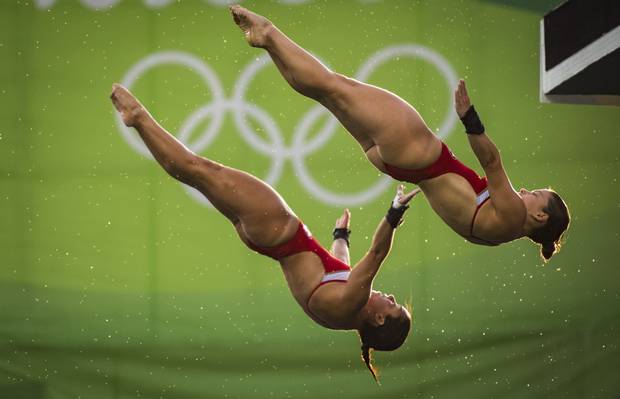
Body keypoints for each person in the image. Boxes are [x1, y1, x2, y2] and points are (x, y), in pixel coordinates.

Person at [110, 84, 417, 382]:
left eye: (392, 305)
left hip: (276, 228)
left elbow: (376, 255)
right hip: (267, 238)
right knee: (199, 175)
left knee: (200, 170)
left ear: (378, 319)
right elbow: (342, 269)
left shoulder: (352, 302)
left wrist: (394, 213)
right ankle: (139, 121)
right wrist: (341, 234)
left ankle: (137, 117)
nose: (389, 296)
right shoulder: (345, 309)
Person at [229, 5, 570, 260]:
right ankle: (269, 43)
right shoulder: (494, 237)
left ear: (539, 216)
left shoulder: (512, 217)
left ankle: (269, 33)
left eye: (534, 193)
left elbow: (492, 162)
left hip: (417, 152)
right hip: (395, 163)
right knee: (327, 94)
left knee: (334, 86)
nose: (524, 189)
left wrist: (470, 119)